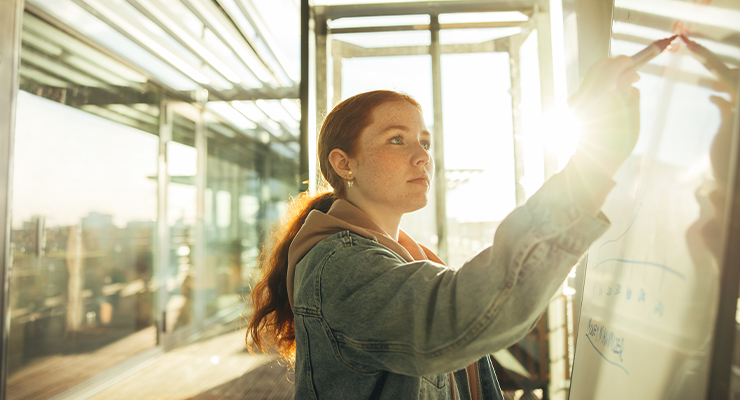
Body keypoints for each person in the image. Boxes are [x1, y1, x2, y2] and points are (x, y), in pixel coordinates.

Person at [246, 56, 641, 400]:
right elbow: (456, 317)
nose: (422, 156)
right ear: (344, 164)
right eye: (396, 140)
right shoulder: (341, 264)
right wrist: (593, 167)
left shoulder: (398, 254)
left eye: (426, 142)